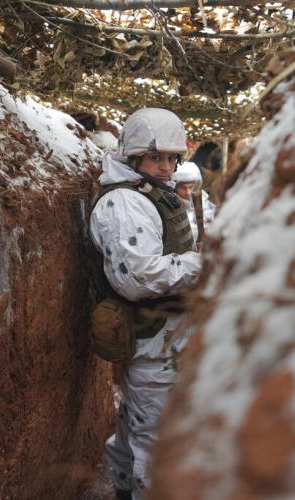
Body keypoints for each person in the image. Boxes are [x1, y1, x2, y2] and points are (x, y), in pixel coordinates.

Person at [89, 108, 202, 500]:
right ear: (134, 157)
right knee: (156, 443)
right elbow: (138, 278)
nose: (167, 167)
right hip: (152, 341)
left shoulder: (147, 194)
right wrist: (204, 264)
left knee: (137, 428)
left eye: (173, 158)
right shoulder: (124, 202)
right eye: (157, 158)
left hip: (165, 337)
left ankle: (123, 489)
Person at [171, 161, 217, 244]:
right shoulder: (169, 204)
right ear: (174, 187)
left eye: (191, 187)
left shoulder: (203, 203)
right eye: (183, 188)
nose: (188, 192)